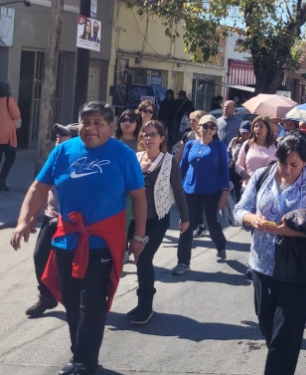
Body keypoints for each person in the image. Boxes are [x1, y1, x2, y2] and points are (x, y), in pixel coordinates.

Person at [10, 101, 146, 375]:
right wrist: (24, 219)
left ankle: (85, 362)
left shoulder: (123, 155)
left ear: (111, 127)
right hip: (67, 239)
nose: (91, 128)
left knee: (92, 303)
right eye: (86, 122)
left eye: (98, 123)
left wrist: (139, 237)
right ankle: (79, 355)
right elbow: (39, 186)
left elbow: (138, 197)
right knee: (71, 301)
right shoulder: (63, 151)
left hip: (104, 241)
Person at [234, 132, 306, 375]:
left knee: (286, 336)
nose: (287, 170)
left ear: (305, 162)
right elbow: (239, 210)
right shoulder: (262, 176)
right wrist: (251, 218)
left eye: (294, 165)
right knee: (268, 325)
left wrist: (290, 231)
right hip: (262, 264)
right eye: (283, 163)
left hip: (297, 268)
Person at [130, 120, 189, 324]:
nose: (149, 138)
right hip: (134, 218)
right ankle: (137, 305)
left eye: (153, 134)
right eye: (145, 135)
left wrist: (185, 217)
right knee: (126, 258)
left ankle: (145, 307)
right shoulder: (135, 158)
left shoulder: (169, 161)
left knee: (144, 259)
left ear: (162, 138)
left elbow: (178, 190)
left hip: (157, 219)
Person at [24, 123, 79, 318]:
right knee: (40, 256)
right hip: (51, 219)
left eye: (63, 135)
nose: (58, 137)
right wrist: (32, 216)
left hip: (75, 225)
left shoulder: (84, 163)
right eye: (57, 134)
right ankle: (46, 296)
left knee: (74, 266)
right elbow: (42, 189)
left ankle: (84, 302)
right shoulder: (55, 158)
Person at [173, 115, 230, 275]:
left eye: (212, 127)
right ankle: (183, 262)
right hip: (189, 190)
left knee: (212, 223)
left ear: (215, 131)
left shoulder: (219, 146)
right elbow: (183, 168)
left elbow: (224, 171)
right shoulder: (190, 144)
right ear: (199, 127)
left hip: (211, 190)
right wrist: (176, 190)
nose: (208, 129)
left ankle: (221, 245)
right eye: (205, 126)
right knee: (186, 225)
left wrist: (224, 192)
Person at [236, 116, 278, 189]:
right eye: (256, 126)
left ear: (268, 129)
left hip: (268, 188)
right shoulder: (247, 144)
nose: (258, 129)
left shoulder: (276, 146)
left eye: (261, 126)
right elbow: (238, 165)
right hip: (248, 187)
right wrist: (244, 174)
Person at [0, 81, 22, 191]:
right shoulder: (9, 100)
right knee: (10, 157)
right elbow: (16, 115)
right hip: (6, 135)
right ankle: (2, 179)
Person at [227, 120, 252, 201]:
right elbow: (228, 153)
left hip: (244, 170)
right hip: (233, 168)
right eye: (243, 133)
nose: (245, 135)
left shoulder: (251, 143)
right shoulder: (234, 140)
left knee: (240, 194)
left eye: (247, 133)